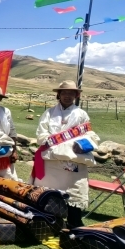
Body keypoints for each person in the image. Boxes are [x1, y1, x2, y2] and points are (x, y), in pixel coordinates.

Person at [32, 80, 99, 229]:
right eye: (64, 93)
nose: (67, 96)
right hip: (52, 160)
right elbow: (41, 134)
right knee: (48, 190)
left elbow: (90, 135)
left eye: (71, 93)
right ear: (59, 94)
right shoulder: (49, 113)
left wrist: (82, 145)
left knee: (73, 191)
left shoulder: (81, 114)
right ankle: (48, 222)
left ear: (76, 95)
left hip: (73, 158)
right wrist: (55, 142)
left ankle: (74, 223)